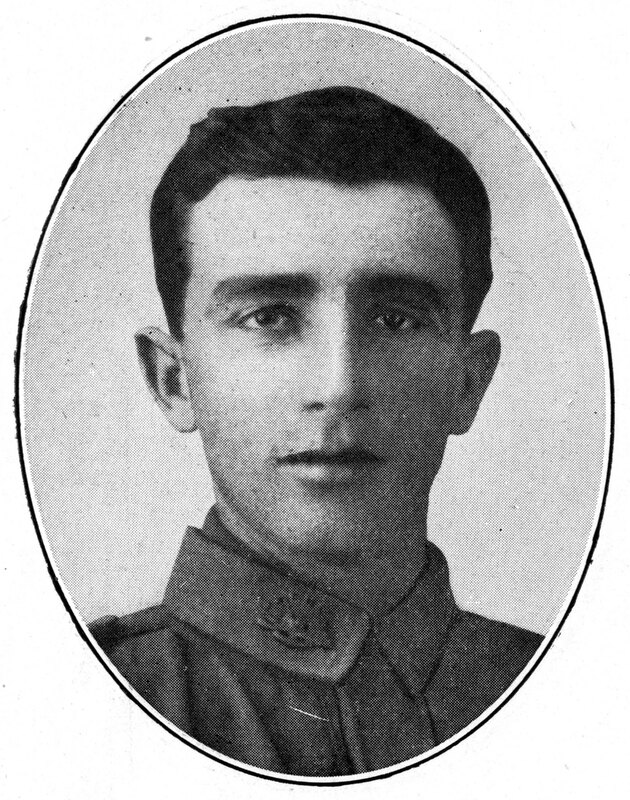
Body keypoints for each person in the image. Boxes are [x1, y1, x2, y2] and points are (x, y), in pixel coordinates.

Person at [89, 86, 543, 776]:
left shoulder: (574, 687)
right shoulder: (86, 699)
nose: (339, 384)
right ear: (173, 380)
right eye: (269, 317)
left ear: (468, 382)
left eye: (396, 319)